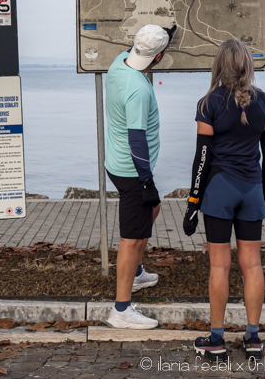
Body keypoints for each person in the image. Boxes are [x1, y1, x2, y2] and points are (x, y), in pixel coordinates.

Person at [182, 38, 265, 360]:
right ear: (248, 65)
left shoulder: (209, 103)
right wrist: (264, 192)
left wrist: (193, 203)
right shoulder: (263, 101)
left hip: (220, 189)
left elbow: (202, 158)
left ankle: (217, 339)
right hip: (251, 190)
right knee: (253, 264)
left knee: (219, 265)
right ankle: (253, 338)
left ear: (219, 65)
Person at [103, 23, 175, 330]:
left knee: (153, 208)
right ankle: (121, 310)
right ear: (158, 58)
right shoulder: (139, 89)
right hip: (132, 171)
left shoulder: (118, 64)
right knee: (131, 240)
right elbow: (137, 139)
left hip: (116, 163)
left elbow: (138, 51)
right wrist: (146, 181)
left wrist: (164, 34)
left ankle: (136, 272)